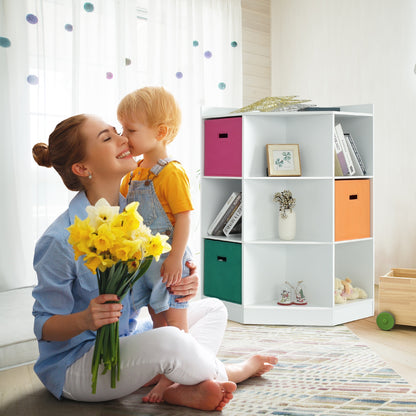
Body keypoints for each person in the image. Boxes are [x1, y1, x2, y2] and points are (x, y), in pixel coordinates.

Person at [31, 114, 278, 410]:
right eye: (108, 138)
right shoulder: (59, 239)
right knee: (171, 340)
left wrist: (182, 283)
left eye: (116, 131)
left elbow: (152, 286)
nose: (124, 139)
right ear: (82, 168)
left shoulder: (139, 218)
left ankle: (175, 385)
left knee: (213, 308)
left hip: (127, 338)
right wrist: (85, 319)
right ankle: (235, 371)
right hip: (79, 365)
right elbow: (45, 326)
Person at [117, 86, 193, 402]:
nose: (124, 137)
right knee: (158, 321)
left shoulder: (171, 173)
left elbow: (184, 217)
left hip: (168, 261)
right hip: (145, 265)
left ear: (160, 132)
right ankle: (163, 372)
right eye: (121, 129)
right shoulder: (133, 174)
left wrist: (175, 259)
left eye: (130, 130)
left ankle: (178, 377)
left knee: (175, 326)